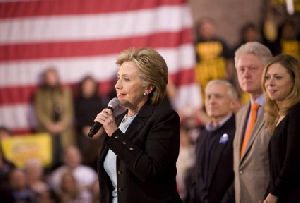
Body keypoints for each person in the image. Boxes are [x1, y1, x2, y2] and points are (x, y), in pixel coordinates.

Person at [91, 47, 182, 203]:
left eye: (126, 79)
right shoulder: (118, 120)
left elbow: (150, 172)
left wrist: (115, 134)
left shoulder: (164, 119)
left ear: (148, 87)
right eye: (118, 78)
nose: (117, 85)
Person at [233, 41, 273, 203]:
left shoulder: (280, 111)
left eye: (253, 68)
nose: (246, 74)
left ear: (268, 70)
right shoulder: (241, 114)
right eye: (241, 69)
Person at [191, 80, 237, 203]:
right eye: (208, 97)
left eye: (218, 96)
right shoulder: (202, 135)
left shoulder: (238, 132)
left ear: (232, 103)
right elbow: (196, 176)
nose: (211, 101)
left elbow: (239, 177)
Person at [262, 54, 300, 203]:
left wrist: (273, 195)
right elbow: (276, 168)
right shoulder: (280, 115)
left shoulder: (297, 113)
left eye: (278, 77)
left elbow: (293, 161)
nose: (270, 83)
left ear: (294, 81)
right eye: (267, 77)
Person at [34, 67, 74, 168]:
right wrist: (49, 125)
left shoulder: (66, 92)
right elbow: (39, 112)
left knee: (64, 154)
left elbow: (70, 111)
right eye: (48, 77)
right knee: (50, 156)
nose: (51, 79)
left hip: (64, 131)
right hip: (47, 130)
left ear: (57, 77)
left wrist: (62, 124)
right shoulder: (40, 94)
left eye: (53, 76)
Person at [74, 75, 105, 169]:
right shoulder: (77, 101)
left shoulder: (100, 100)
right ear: (82, 86)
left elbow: (106, 116)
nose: (88, 87)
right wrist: (84, 129)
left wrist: (101, 129)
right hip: (83, 132)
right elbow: (75, 119)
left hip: (99, 132)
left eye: (90, 85)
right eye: (86, 85)